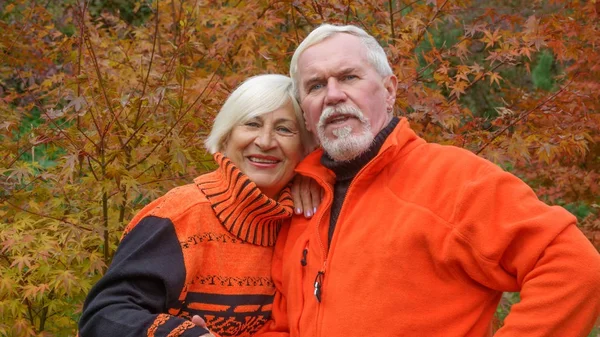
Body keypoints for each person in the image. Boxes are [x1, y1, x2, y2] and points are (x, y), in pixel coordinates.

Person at [259, 24, 600, 336]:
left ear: (389, 90)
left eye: (349, 77)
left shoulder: (454, 178)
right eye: (316, 85)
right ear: (305, 111)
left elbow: (574, 269)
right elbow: (286, 326)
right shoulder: (302, 206)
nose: (333, 95)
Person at [78, 74, 318, 337]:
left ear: (304, 148)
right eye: (251, 124)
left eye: (284, 129)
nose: (265, 141)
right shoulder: (181, 216)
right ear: (226, 137)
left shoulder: (304, 222)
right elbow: (103, 317)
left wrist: (317, 177)